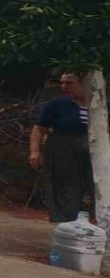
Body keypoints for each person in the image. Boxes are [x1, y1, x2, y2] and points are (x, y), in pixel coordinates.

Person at [29, 73, 94, 223]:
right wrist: (34, 151)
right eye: (62, 83)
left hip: (92, 152)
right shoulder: (57, 105)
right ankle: (67, 221)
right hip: (62, 151)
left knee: (91, 187)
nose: (64, 86)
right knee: (66, 187)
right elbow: (39, 128)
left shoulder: (100, 105)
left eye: (69, 83)